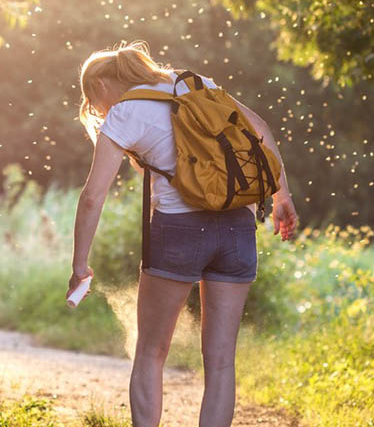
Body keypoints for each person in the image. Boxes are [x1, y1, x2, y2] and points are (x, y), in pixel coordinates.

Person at [67, 41, 298, 427]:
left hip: (179, 230)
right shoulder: (195, 83)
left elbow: (93, 196)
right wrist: (282, 196)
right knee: (221, 360)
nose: (97, 109)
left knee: (152, 352)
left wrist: (79, 265)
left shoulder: (126, 112)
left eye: (94, 100)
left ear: (104, 85)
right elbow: (260, 129)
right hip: (238, 228)